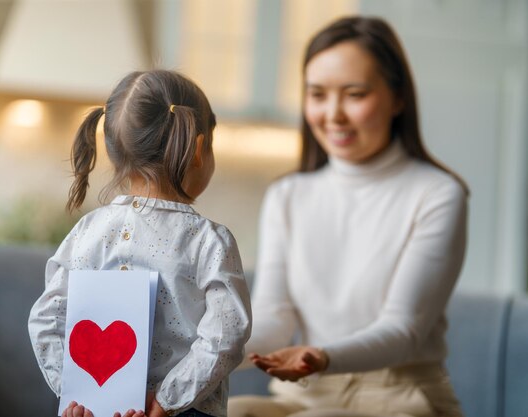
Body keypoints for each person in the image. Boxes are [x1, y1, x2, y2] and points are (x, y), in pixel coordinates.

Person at [228, 16, 468, 417]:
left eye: (354, 94)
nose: (333, 114)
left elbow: (403, 330)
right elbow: (274, 317)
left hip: (401, 398)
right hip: (307, 395)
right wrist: (205, 356)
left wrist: (321, 355)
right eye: (317, 94)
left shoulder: (438, 194)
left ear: (398, 98)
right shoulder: (287, 195)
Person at [28, 70, 252, 417]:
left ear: (115, 151)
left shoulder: (87, 231)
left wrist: (76, 392)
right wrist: (167, 401)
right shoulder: (210, 241)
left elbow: (46, 319)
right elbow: (227, 334)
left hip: (94, 409)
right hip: (184, 411)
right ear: (197, 149)